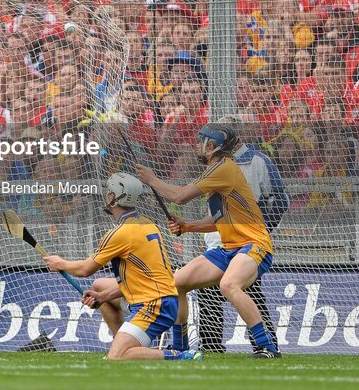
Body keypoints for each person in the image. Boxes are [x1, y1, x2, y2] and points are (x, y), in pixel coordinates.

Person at [136, 123, 281, 358]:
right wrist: (188, 226)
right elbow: (220, 219)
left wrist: (152, 179)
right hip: (229, 248)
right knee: (176, 283)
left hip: (254, 244)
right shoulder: (217, 170)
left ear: (210, 146)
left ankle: (267, 347)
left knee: (229, 285)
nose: (195, 145)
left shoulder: (222, 169)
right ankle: (180, 347)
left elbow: (180, 196)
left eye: (199, 141)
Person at [43, 173, 202, 361]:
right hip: (163, 300)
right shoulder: (147, 223)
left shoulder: (120, 233)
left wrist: (59, 263)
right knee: (100, 285)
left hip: (153, 305)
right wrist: (102, 297)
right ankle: (126, 342)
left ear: (114, 197)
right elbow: (140, 278)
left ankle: (180, 355)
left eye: (109, 192)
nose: (107, 195)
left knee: (116, 357)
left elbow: (86, 269)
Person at [194, 115, 285, 354]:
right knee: (209, 295)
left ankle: (265, 344)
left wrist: (261, 229)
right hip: (217, 241)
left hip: (247, 244)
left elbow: (280, 200)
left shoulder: (258, 161)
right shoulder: (211, 163)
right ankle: (211, 345)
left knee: (249, 292)